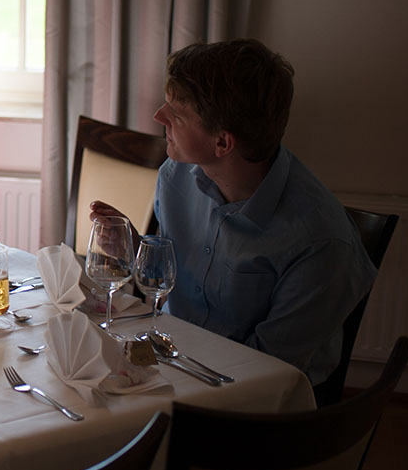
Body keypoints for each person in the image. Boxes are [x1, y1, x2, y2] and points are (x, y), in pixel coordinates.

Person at [91, 39, 375, 384]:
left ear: (223, 143)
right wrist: (137, 249)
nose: (158, 116)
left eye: (176, 114)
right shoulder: (176, 175)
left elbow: (270, 371)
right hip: (174, 358)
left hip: (259, 406)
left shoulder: (321, 242)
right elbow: (177, 283)